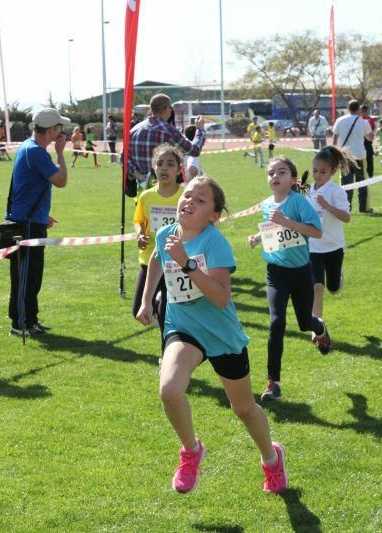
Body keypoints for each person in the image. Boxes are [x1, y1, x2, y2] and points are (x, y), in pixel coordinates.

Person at [135, 176, 288, 495]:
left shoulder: (213, 242)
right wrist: (147, 298)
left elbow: (221, 298)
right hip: (183, 329)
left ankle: (271, 459)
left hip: (220, 333)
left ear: (214, 216)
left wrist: (187, 263)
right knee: (169, 390)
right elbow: (155, 261)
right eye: (187, 194)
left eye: (200, 199)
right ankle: (191, 452)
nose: (189, 200)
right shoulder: (167, 235)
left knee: (244, 409)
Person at [247, 156, 330, 402]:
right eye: (271, 172)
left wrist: (287, 222)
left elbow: (316, 231)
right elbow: (274, 230)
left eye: (281, 172)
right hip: (276, 273)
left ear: (292, 179)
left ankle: (320, 327)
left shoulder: (299, 202)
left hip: (301, 272)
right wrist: (257, 237)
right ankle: (274, 383)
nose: (275, 176)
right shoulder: (266, 204)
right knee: (276, 323)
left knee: (305, 324)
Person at [4, 108, 69, 337]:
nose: (61, 132)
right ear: (51, 129)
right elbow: (60, 181)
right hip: (27, 224)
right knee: (26, 275)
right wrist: (61, 153)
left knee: (32, 275)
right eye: (59, 127)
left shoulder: (29, 147)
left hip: (32, 220)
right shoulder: (37, 152)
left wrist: (43, 215)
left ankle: (29, 320)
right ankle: (21, 322)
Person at [132, 144, 183, 344]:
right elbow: (139, 221)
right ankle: (159, 299)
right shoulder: (146, 196)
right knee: (138, 309)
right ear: (154, 167)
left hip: (176, 263)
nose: (164, 168)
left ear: (179, 170)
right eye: (160, 163)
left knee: (167, 318)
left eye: (170, 164)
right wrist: (140, 235)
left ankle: (166, 357)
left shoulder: (185, 196)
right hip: (150, 260)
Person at [126, 94, 205, 197]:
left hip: (142, 191)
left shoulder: (134, 130)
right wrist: (200, 130)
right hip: (166, 192)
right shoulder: (168, 130)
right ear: (166, 109)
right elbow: (194, 150)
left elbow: (124, 157)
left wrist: (138, 175)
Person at [306, 146, 352, 320]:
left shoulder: (337, 191)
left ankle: (338, 277)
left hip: (334, 247)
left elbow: (346, 218)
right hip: (313, 247)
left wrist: (327, 206)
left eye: (323, 172)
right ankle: (317, 327)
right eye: (315, 171)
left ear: (333, 171)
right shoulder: (306, 189)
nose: (317, 175)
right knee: (317, 286)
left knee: (333, 288)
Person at [332, 99, 373, 213]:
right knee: (362, 182)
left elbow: (335, 138)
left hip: (344, 156)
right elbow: (370, 138)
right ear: (358, 109)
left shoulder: (340, 120)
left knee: (345, 184)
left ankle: (345, 208)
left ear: (348, 108)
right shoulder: (363, 122)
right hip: (359, 155)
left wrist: (335, 151)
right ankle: (364, 207)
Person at [359, 104, 376, 179]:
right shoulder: (359, 119)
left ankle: (370, 174)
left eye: (361, 110)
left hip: (367, 142)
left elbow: (370, 131)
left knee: (369, 159)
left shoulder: (370, 120)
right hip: (360, 142)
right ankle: (362, 174)